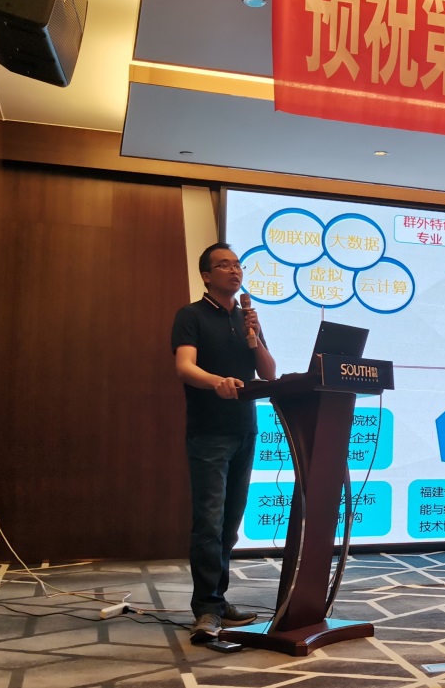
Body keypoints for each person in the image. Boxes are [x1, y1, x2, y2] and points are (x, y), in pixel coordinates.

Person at [171, 242, 277, 643]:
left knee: (230, 523)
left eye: (238, 265)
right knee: (209, 522)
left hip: (245, 429)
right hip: (209, 432)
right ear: (206, 275)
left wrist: (254, 335)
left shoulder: (246, 318)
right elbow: (184, 366)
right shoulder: (191, 315)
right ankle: (206, 608)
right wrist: (217, 382)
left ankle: (218, 598)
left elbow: (269, 373)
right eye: (224, 265)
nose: (234, 271)